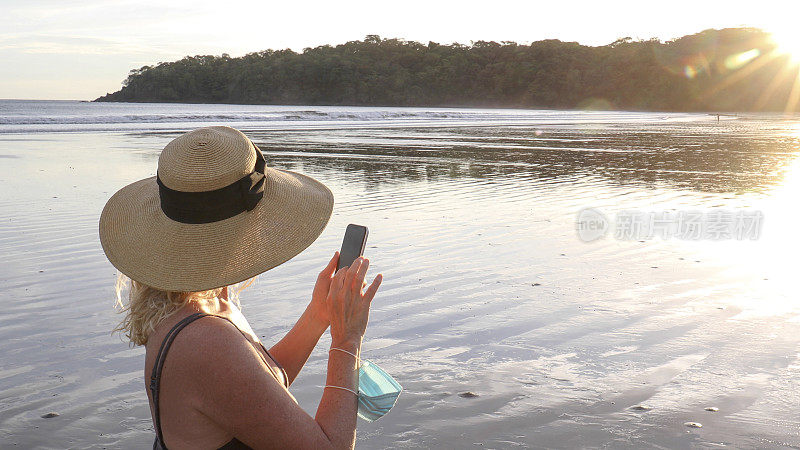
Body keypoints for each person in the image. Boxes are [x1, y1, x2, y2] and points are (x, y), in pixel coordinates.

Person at [99, 126, 382, 449]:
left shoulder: (199, 302)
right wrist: (347, 340)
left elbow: (255, 389)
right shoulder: (205, 339)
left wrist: (318, 316)